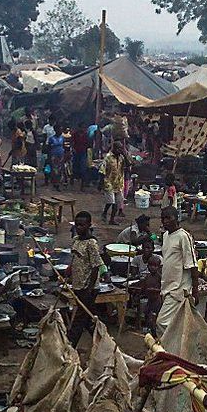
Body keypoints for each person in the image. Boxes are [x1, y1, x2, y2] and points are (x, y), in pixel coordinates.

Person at [156, 205, 199, 332]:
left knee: (162, 323)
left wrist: (195, 291)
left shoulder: (183, 236)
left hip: (179, 288)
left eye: (168, 218)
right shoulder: (165, 236)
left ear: (177, 218)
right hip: (167, 286)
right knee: (177, 323)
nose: (165, 221)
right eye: (163, 218)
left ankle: (168, 349)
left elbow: (192, 264)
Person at [68, 211, 104, 347]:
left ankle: (70, 345)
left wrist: (90, 288)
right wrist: (69, 269)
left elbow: (96, 267)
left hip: (88, 287)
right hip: (77, 285)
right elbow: (75, 259)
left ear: (89, 225)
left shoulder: (92, 244)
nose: (79, 227)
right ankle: (103, 342)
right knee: (88, 319)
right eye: (77, 225)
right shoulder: (76, 240)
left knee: (79, 319)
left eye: (82, 225)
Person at [102, 142, 128, 225]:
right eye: (118, 148)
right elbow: (102, 170)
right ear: (113, 148)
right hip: (108, 182)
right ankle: (105, 213)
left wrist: (125, 154)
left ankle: (111, 219)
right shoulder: (108, 157)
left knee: (117, 203)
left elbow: (129, 164)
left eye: (121, 148)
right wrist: (100, 183)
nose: (119, 150)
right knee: (111, 202)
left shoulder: (121, 158)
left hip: (118, 183)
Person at [72, 125, 90, 190]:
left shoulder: (85, 135)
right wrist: (73, 149)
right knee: (75, 167)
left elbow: (88, 144)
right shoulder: (75, 134)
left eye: (83, 127)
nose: (82, 129)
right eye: (81, 127)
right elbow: (72, 142)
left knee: (83, 169)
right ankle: (73, 179)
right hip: (76, 152)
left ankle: (82, 185)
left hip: (83, 153)